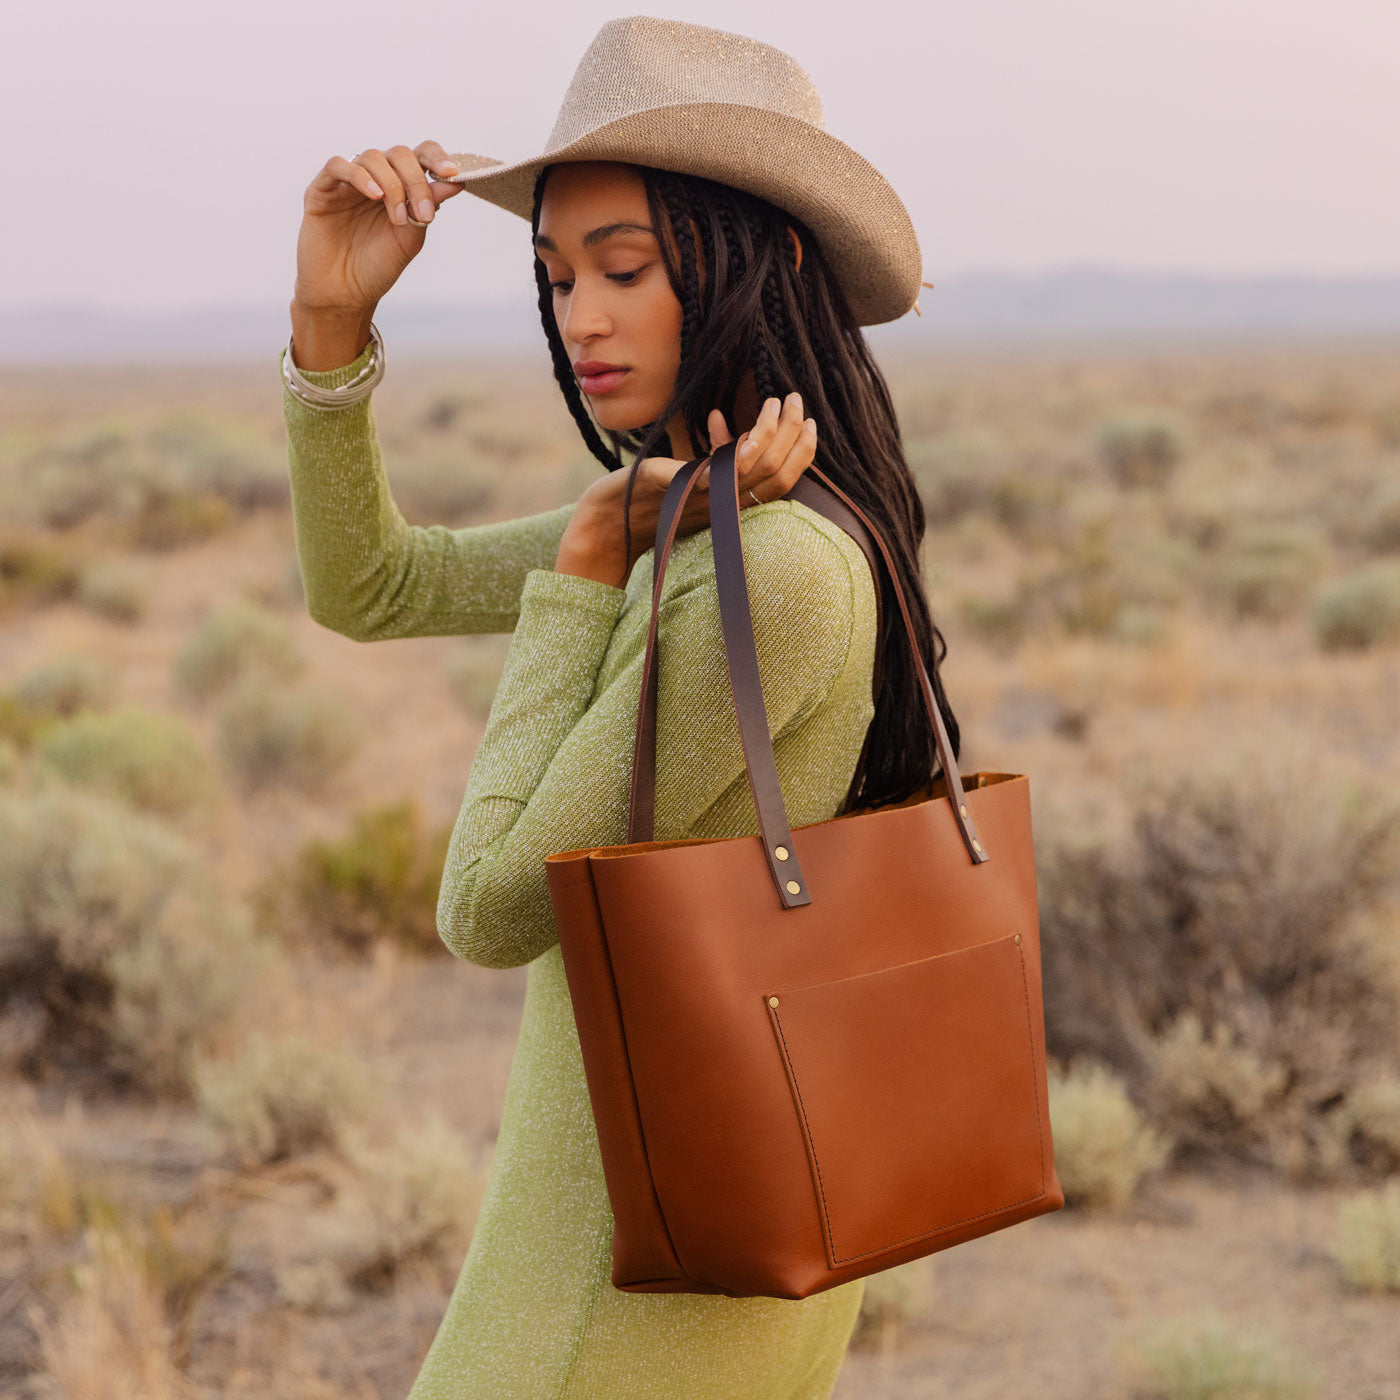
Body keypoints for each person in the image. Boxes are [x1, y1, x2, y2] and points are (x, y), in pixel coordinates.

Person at [279, 16, 964, 1397]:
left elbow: (487, 904)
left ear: (749, 266)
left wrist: (589, 571)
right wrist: (332, 327)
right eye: (555, 275)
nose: (580, 315)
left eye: (626, 268)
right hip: (722, 1256)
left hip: (613, 1294)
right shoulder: (728, 526)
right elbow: (375, 586)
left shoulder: (759, 568)